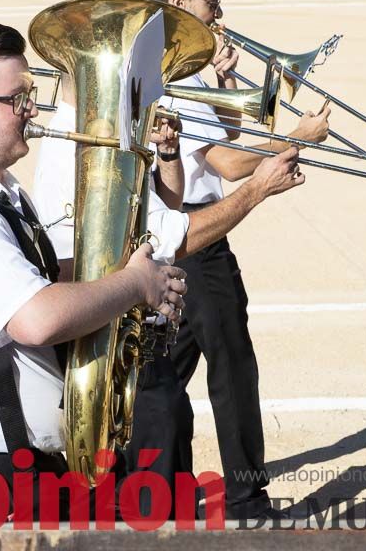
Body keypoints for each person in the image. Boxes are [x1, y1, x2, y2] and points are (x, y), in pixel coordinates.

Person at [0, 21, 187, 520]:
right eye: (16, 100)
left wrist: (133, 270)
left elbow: (43, 278)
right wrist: (134, 283)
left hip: (20, 472)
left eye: (31, 94)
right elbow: (35, 319)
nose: (32, 110)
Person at [33, 74, 307, 517]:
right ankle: (233, 500)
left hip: (135, 318)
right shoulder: (77, 146)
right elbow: (168, 234)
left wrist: (168, 156)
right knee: (166, 416)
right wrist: (257, 188)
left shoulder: (109, 132)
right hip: (115, 322)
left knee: (171, 412)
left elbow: (163, 208)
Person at [144, 0, 330, 519]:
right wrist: (297, 137)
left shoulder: (155, 60)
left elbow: (215, 139)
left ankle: (159, 490)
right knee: (233, 372)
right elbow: (225, 164)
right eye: (212, 3)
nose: (220, 14)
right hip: (199, 242)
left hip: (165, 236)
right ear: (180, 3)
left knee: (165, 369)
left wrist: (224, 80)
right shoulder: (172, 73)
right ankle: (247, 497)